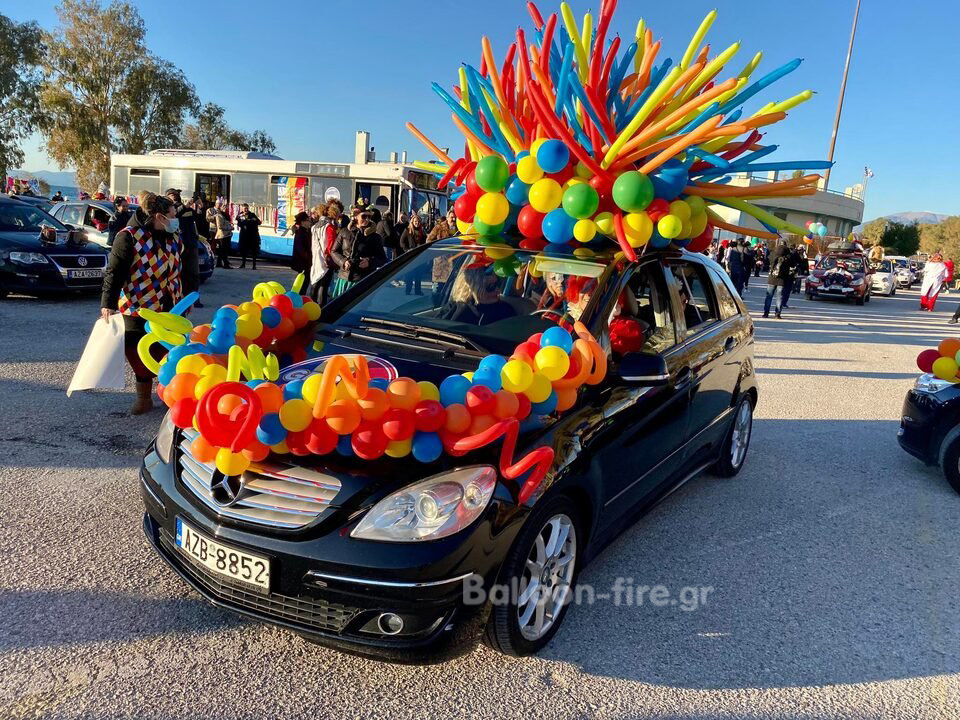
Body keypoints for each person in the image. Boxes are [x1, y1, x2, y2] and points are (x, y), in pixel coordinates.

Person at [99, 191, 181, 414]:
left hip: (171, 305)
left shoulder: (173, 236)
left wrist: (188, 295)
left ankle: (171, 395)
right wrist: (108, 303)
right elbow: (115, 272)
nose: (175, 219)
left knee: (168, 352)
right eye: (172, 215)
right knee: (137, 352)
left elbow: (184, 267)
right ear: (159, 217)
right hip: (138, 305)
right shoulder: (128, 237)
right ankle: (144, 398)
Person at [330, 208, 386, 298]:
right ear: (356, 217)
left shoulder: (375, 237)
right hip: (344, 277)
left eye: (369, 217)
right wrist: (343, 261)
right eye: (364, 216)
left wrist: (369, 262)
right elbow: (334, 251)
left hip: (363, 279)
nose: (367, 219)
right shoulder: (344, 231)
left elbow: (382, 258)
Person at [439, 265, 516, 325]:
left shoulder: (505, 310)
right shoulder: (453, 307)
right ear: (473, 288)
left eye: (498, 284)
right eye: (491, 287)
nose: (498, 290)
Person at [166, 188, 201, 305]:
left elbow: (197, 220)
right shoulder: (168, 210)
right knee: (179, 274)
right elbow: (176, 214)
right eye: (172, 194)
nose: (175, 196)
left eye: (176, 194)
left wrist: (200, 207)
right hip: (177, 246)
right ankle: (181, 298)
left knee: (193, 273)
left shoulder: (187, 209)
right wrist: (186, 205)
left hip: (191, 244)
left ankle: (194, 298)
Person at [763, 240, 795, 318]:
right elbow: (793, 265)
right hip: (782, 279)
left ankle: (766, 313)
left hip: (772, 278)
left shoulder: (773, 253)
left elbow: (767, 261)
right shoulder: (788, 256)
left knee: (769, 296)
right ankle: (777, 313)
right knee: (779, 297)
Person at [400, 214, 427, 295]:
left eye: (418, 221)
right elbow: (402, 241)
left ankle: (418, 291)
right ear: (412, 222)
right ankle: (408, 290)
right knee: (410, 274)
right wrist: (406, 250)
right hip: (410, 254)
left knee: (418, 274)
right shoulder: (407, 230)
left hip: (419, 255)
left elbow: (425, 241)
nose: (417, 223)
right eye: (415, 221)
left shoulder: (422, 231)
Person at [236, 203, 261, 269]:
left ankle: (254, 265)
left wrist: (251, 220)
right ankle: (243, 264)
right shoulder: (240, 215)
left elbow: (258, 222)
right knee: (243, 249)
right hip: (244, 235)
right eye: (245, 209)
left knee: (254, 250)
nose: (246, 210)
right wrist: (244, 222)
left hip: (253, 235)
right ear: (242, 209)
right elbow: (239, 223)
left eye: (247, 208)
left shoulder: (252, 215)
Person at [291, 211, 313, 277]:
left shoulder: (306, 232)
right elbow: (301, 250)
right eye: (308, 220)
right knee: (304, 280)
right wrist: (309, 258)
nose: (309, 222)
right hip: (303, 263)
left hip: (305, 263)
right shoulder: (301, 233)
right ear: (303, 222)